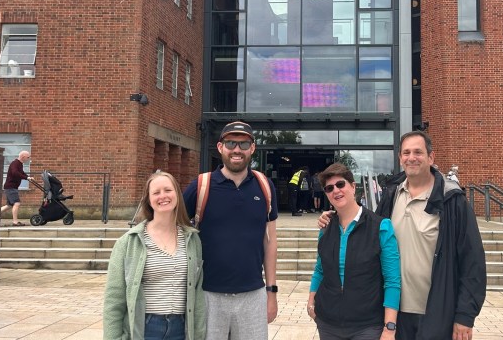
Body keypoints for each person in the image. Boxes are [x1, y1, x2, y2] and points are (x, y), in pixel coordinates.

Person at [319, 131, 486, 340]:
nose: (411, 157)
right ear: (400, 158)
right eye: (406, 152)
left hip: (437, 312)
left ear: (431, 157)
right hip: (393, 311)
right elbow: (367, 232)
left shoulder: (452, 201)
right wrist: (335, 217)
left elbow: (473, 261)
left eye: (418, 152)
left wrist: (465, 315)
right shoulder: (392, 194)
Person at [183, 121, 279, 340]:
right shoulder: (201, 185)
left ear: (252, 148)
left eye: (244, 144)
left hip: (253, 295)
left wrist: (271, 292)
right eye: (231, 143)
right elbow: (172, 223)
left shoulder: (264, 186)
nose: (237, 150)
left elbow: (270, 241)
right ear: (220, 147)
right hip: (208, 295)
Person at [103, 171, 206, 340]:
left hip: (181, 327)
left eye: (168, 190)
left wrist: (199, 334)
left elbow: (198, 294)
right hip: (146, 328)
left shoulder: (192, 240)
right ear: (149, 200)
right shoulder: (128, 242)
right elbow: (114, 299)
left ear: (177, 195)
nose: (163, 196)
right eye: (156, 192)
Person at [308, 163, 400, 340]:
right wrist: (311, 301)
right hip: (328, 323)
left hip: (367, 326)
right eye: (329, 188)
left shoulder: (381, 227)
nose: (336, 190)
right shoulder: (326, 228)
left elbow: (392, 280)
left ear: (352, 186)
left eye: (340, 184)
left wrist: (390, 327)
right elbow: (320, 269)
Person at [1, 151, 32, 226]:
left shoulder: (20, 164)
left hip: (12, 186)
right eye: (28, 157)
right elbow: (15, 173)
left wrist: (28, 177)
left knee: (10, 205)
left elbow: (21, 173)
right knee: (16, 203)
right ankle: (15, 222)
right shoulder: (15, 163)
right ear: (23, 156)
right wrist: (26, 177)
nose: (28, 159)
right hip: (11, 186)